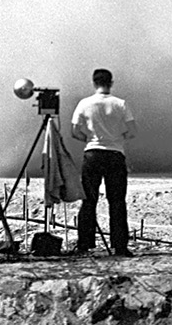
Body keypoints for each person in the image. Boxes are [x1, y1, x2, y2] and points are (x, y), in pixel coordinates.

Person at [70, 68, 137, 256]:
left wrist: (91, 139)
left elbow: (74, 131)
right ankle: (120, 246)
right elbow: (132, 131)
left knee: (89, 200)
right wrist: (116, 138)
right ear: (111, 83)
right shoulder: (120, 104)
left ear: (94, 83)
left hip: (92, 154)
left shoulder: (85, 104)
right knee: (117, 201)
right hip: (115, 154)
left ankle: (84, 244)